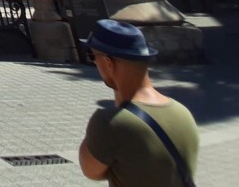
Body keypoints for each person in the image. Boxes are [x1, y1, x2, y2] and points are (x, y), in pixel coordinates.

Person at [79, 19, 199, 187]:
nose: (94, 63)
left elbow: (90, 170)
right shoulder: (183, 113)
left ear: (108, 63)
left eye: (93, 56)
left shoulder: (109, 122)